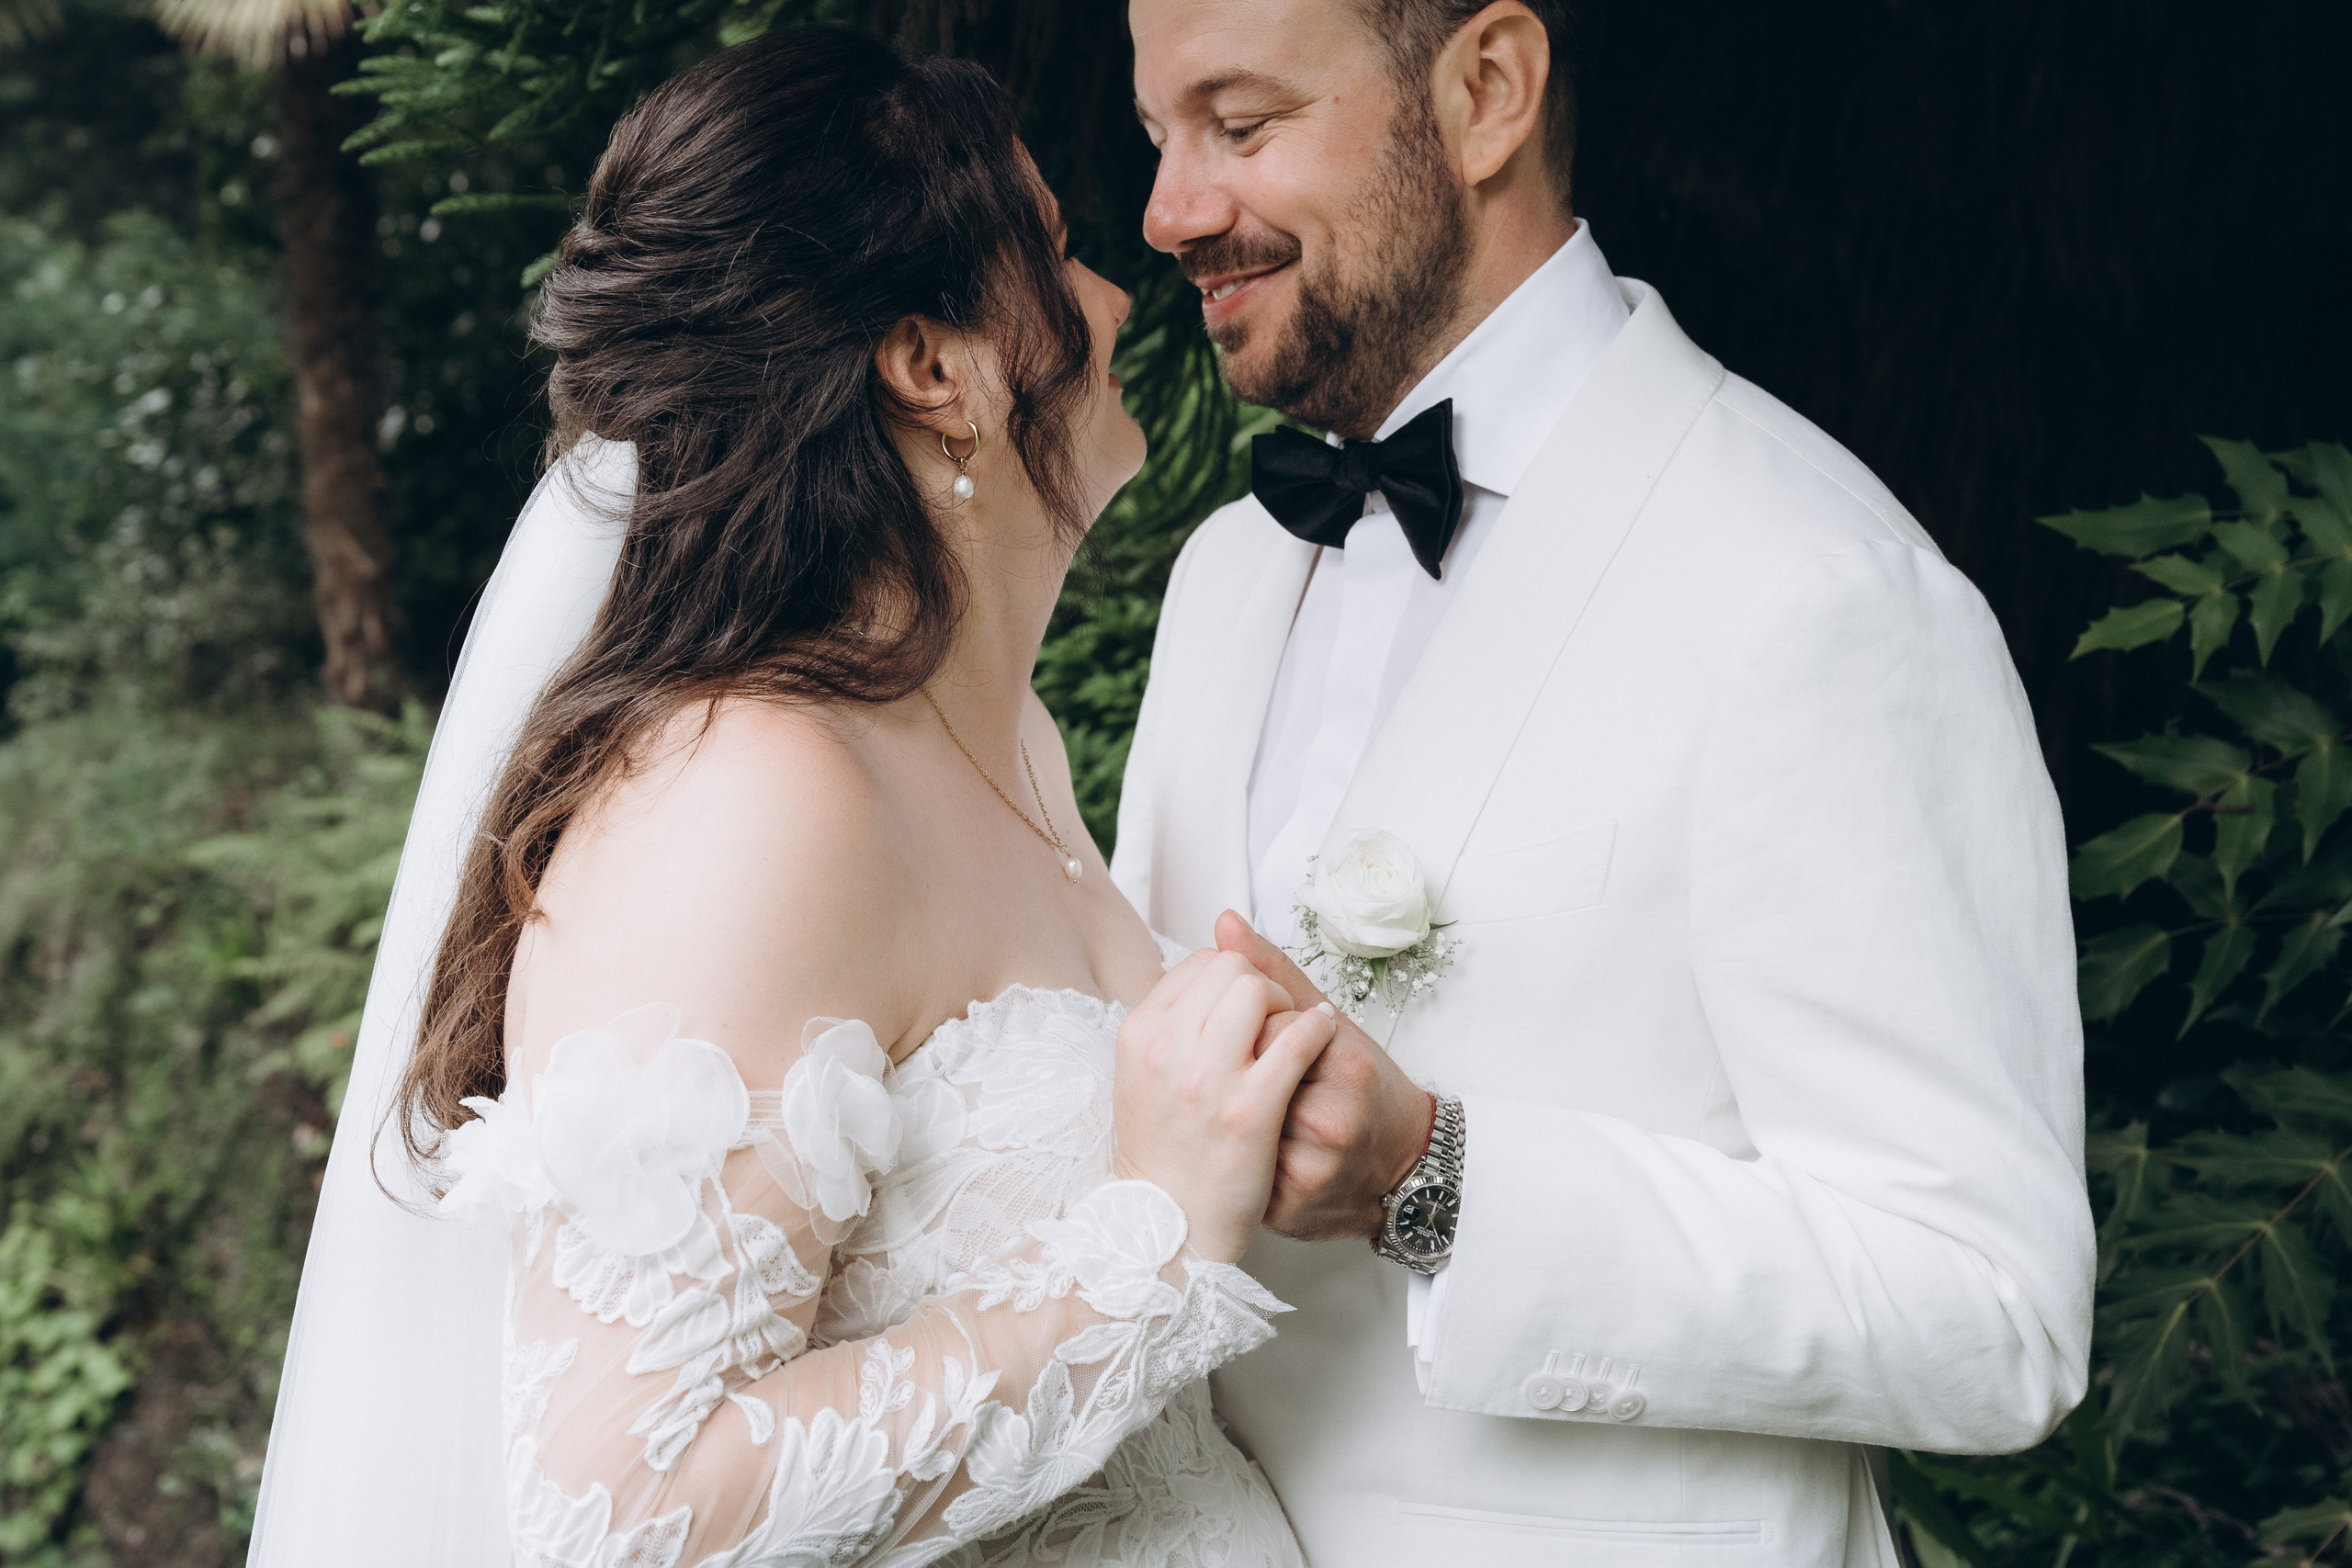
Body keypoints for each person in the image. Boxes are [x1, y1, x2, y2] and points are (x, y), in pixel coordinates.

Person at [247, 31, 1328, 1567]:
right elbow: (627, 1514)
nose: (1108, 298)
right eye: (1062, 256)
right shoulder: (752, 797)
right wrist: (1145, 1248)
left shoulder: (1003, 739)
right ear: (935, 366)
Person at [1116, 1, 2097, 1563]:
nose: (1171, 211)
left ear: (1488, 92)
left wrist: (1434, 1178)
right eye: (1156, 135)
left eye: (1241, 126)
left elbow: (1991, 1310)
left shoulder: (1819, 589)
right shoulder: (1225, 575)